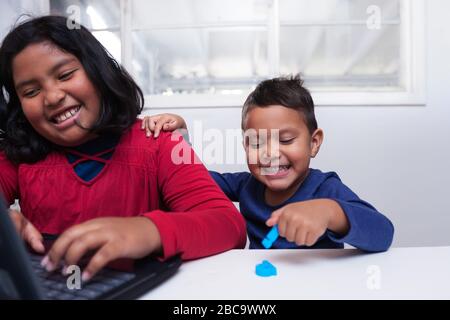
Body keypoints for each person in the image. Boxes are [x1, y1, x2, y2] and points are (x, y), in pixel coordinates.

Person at [0, 15, 246, 282]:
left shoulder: (162, 143)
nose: (53, 97)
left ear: (98, 72)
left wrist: (148, 230)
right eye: (31, 92)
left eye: (65, 75)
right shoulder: (17, 156)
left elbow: (228, 225)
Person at [142, 75, 395, 252]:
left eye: (286, 140)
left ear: (314, 143)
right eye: (256, 143)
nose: (270, 154)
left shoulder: (325, 188)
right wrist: (179, 138)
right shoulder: (245, 185)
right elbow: (190, 181)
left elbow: (383, 233)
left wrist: (330, 213)